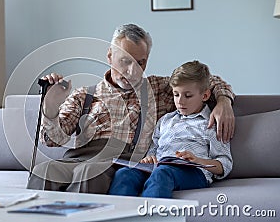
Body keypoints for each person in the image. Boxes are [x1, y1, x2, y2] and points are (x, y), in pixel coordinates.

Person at [27, 23, 235, 194]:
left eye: (140, 63)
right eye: (125, 61)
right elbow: (53, 140)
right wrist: (51, 108)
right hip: (79, 157)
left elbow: (206, 81)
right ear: (109, 56)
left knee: (89, 172)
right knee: (44, 170)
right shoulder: (84, 94)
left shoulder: (158, 89)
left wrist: (223, 101)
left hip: (119, 161)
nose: (132, 71)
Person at [108, 60, 233, 198]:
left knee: (162, 173)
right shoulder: (165, 120)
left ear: (205, 95)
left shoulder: (211, 123)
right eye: (176, 94)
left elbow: (225, 163)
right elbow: (153, 149)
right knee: (124, 173)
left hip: (194, 171)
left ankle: (153, 218)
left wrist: (199, 161)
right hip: (159, 167)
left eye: (188, 95)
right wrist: (149, 158)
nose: (180, 101)